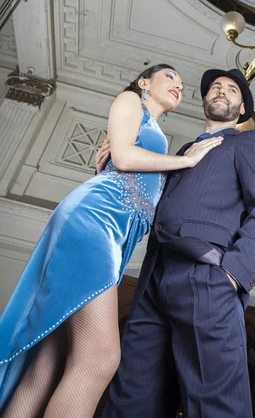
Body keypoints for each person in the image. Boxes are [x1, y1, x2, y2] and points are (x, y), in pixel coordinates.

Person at [0, 64, 222, 418]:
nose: (179, 85)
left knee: (47, 364)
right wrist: (186, 160)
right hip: (95, 223)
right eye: (170, 77)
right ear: (144, 81)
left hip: (111, 235)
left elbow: (126, 166)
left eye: (182, 84)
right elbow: (122, 157)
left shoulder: (151, 136)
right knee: (101, 358)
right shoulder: (129, 100)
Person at [98, 68, 255, 418]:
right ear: (204, 100)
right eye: (215, 87)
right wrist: (113, 168)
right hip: (153, 279)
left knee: (216, 402)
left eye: (231, 90)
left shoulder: (249, 142)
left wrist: (233, 274)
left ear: (241, 108)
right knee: (130, 397)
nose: (221, 91)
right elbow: (151, 207)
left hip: (207, 276)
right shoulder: (181, 152)